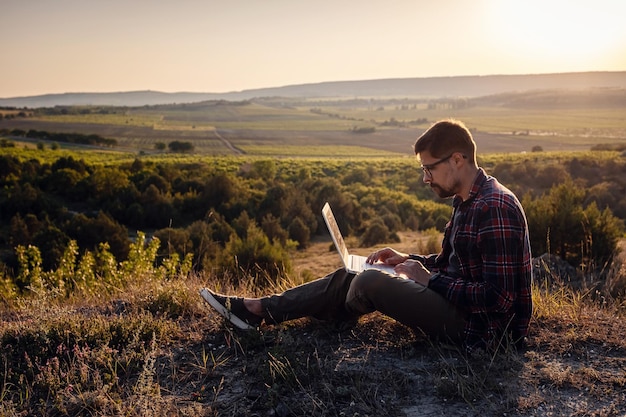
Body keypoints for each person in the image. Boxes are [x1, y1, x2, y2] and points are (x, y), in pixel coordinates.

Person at [201, 119, 533, 353]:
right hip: (463, 311)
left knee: (371, 281)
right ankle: (257, 309)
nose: (425, 179)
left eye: (429, 169)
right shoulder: (467, 200)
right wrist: (408, 261)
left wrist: (429, 281)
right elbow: (454, 265)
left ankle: (325, 313)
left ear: (457, 160)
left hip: (487, 333)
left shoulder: (494, 207)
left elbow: (498, 299)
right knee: (356, 270)